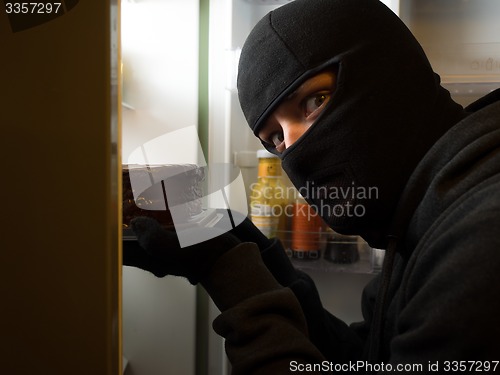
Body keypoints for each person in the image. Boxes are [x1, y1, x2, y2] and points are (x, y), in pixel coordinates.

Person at [123, 0, 500, 373]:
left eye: (314, 101)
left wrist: (232, 280)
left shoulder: (479, 238)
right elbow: (364, 359)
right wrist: (250, 258)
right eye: (275, 140)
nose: (296, 148)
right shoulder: (422, 219)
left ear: (393, 70)